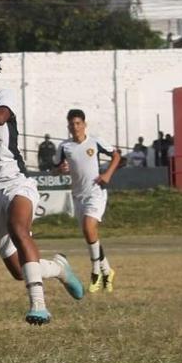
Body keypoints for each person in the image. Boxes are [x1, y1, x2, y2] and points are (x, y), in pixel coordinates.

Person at [0, 47, 84, 326]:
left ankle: (39, 306)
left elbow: (0, 117)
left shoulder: (1, 96)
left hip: (17, 182)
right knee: (17, 270)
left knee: (19, 228)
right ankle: (59, 268)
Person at [54, 109, 121, 293]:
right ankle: (107, 270)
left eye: (78, 123)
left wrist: (107, 174)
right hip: (78, 195)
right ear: (68, 126)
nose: (75, 127)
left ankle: (95, 272)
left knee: (88, 226)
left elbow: (116, 155)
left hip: (96, 192)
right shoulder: (64, 147)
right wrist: (60, 170)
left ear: (84, 124)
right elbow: (55, 169)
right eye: (71, 124)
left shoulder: (95, 141)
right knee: (90, 235)